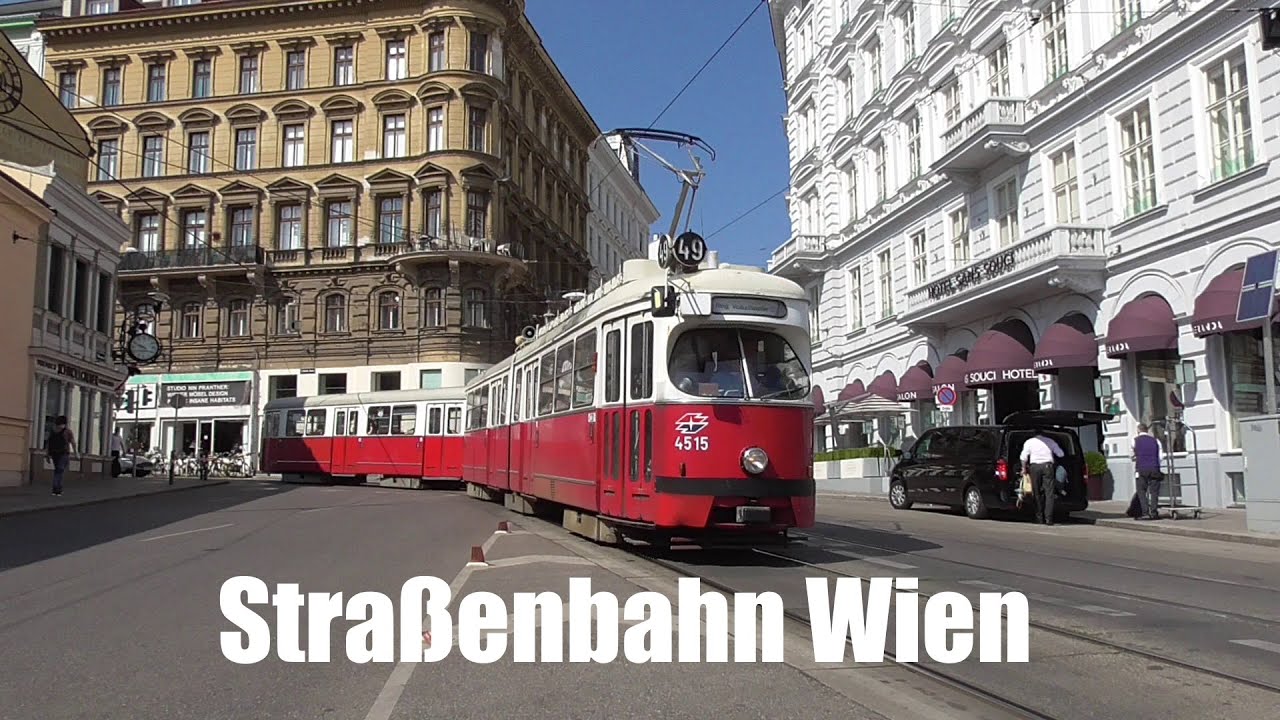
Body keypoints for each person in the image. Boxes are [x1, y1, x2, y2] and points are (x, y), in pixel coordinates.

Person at [1019, 430, 1064, 525]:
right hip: (1048, 466)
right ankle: (1049, 519)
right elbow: (1061, 454)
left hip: (1034, 467)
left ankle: (1039, 517)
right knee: (1049, 493)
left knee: (1036, 492)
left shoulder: (1029, 442)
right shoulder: (1050, 441)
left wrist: (1023, 469)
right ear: (1044, 434)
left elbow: (1023, 457)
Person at [1132, 423, 1164, 520]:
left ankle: (1145, 512)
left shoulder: (1134, 441)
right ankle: (1154, 512)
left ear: (1138, 430)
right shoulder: (1156, 441)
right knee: (1154, 492)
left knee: (1141, 491)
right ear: (1147, 430)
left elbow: (1132, 455)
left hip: (1141, 468)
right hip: (1154, 468)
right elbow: (1161, 456)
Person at [44, 416, 75, 496]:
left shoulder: (53, 431)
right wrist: (76, 453)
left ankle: (54, 490)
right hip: (64, 453)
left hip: (54, 453)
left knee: (57, 470)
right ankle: (58, 490)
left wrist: (47, 455)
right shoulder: (67, 431)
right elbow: (73, 442)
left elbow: (48, 443)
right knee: (60, 471)